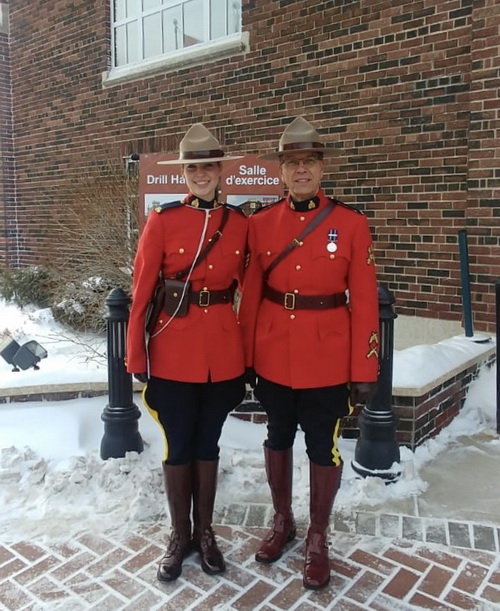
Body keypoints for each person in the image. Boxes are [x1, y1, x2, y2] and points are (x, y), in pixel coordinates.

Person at [239, 117, 379, 590]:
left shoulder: (351, 224)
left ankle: (318, 537)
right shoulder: (260, 225)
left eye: (310, 163)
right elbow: (252, 295)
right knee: (277, 437)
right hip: (274, 353)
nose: (301, 171)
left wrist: (365, 367)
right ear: (281, 170)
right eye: (293, 163)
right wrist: (247, 358)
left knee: (323, 445)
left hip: (327, 359)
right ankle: (284, 522)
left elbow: (363, 301)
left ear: (321, 169)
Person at [126, 123, 248, 582]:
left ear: (220, 171)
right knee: (178, 444)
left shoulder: (239, 224)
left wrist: (250, 354)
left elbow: (249, 292)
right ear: (185, 173)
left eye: (208, 166)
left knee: (208, 442)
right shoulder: (163, 220)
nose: (201, 174)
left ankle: (206, 532)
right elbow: (141, 294)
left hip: (222, 350)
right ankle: (180, 535)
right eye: (193, 167)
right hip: (173, 348)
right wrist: (136, 357)